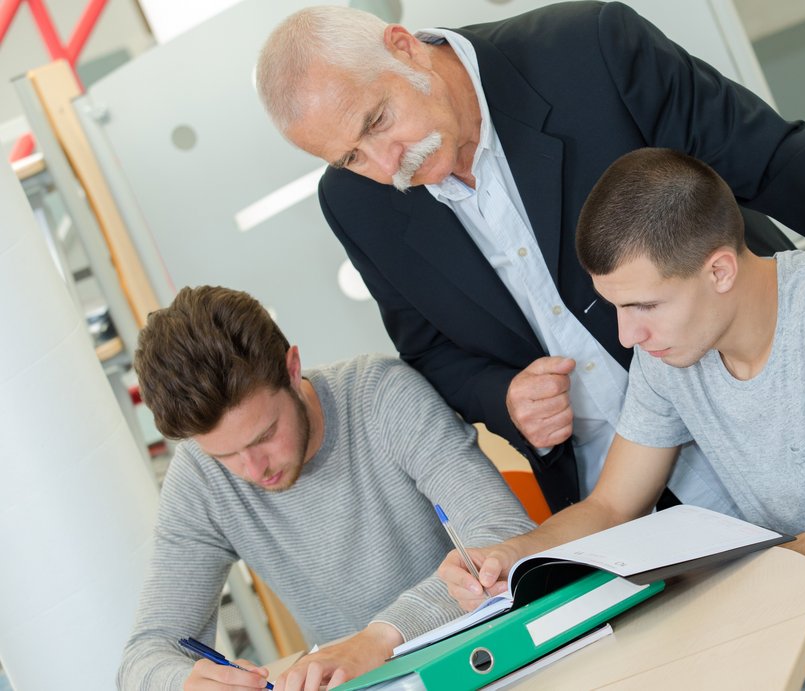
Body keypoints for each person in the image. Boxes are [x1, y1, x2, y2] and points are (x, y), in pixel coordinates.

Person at [254, 2, 805, 515]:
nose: (383, 164)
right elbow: (428, 346)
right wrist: (501, 395)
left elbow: (778, 164)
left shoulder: (587, 51)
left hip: (781, 426)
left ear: (407, 49)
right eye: (350, 155)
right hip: (625, 493)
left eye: (379, 121)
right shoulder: (354, 203)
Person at [437, 148, 805, 663]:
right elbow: (612, 507)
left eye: (643, 306)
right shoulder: (669, 359)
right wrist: (514, 555)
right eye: (614, 307)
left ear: (719, 270)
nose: (627, 335)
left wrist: (764, 566)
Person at [116, 286, 536, 690]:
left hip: (494, 660)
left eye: (263, 436)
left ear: (292, 368)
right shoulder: (199, 478)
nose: (253, 469)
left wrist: (378, 639)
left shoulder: (381, 395)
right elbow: (143, 656)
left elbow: (504, 534)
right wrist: (183, 682)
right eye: (224, 455)